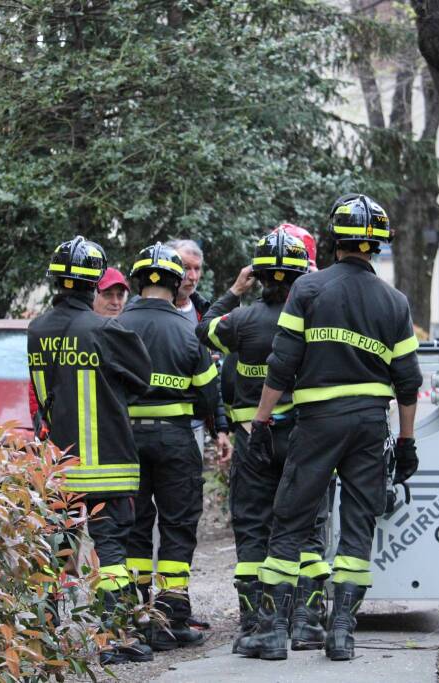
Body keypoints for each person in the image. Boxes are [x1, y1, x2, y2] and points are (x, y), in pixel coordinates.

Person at [238, 195, 423, 661]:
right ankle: (341, 634)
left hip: (317, 423)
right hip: (368, 424)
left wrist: (260, 424)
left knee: (291, 519)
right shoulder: (395, 302)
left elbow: (281, 366)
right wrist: (406, 442)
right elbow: (407, 381)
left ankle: (272, 633)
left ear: (334, 239)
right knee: (358, 524)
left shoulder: (309, 290)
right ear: (378, 245)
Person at [196, 228, 332, 653]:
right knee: (307, 528)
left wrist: (236, 291)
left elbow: (204, 329)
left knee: (254, 530)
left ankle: (257, 626)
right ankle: (308, 624)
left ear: (259, 274)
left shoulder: (241, 322)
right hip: (305, 439)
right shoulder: (314, 319)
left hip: (253, 441)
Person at [27, 236, 154, 665]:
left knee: (56, 552)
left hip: (56, 466)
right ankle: (114, 639)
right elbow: (142, 379)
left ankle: (43, 637)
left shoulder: (37, 330)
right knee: (112, 554)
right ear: (95, 283)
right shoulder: (105, 329)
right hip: (109, 465)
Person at [118, 243, 220, 651]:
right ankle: (173, 615)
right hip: (176, 439)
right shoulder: (188, 331)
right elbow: (210, 396)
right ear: (177, 283)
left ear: (139, 281)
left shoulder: (116, 327)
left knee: (136, 526)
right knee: (177, 527)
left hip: (126, 441)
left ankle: (138, 617)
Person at [164, 239, 232, 462]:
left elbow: (215, 375)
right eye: (185, 268)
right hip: (152, 427)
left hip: (194, 429)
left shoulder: (204, 313)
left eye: (197, 268)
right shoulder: (147, 311)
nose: (192, 276)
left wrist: (220, 428)